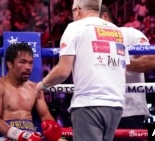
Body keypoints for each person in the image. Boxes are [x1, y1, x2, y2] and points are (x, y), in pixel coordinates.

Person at [36, 0, 130, 141]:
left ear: (78, 10)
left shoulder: (75, 27)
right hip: (116, 105)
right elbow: (121, 70)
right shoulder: (117, 30)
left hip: (89, 104)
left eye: (72, 13)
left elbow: (62, 71)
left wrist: (41, 86)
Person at [100, 5, 155, 141]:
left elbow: (150, 60)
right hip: (98, 110)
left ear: (104, 17)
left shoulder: (128, 34)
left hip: (129, 111)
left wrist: (117, 64)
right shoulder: (86, 42)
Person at [0, 42, 62, 141]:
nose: (28, 67)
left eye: (30, 63)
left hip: (32, 135)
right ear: (9, 64)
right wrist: (19, 135)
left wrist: (53, 131)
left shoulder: (35, 88)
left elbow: (45, 116)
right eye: (22, 62)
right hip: (6, 135)